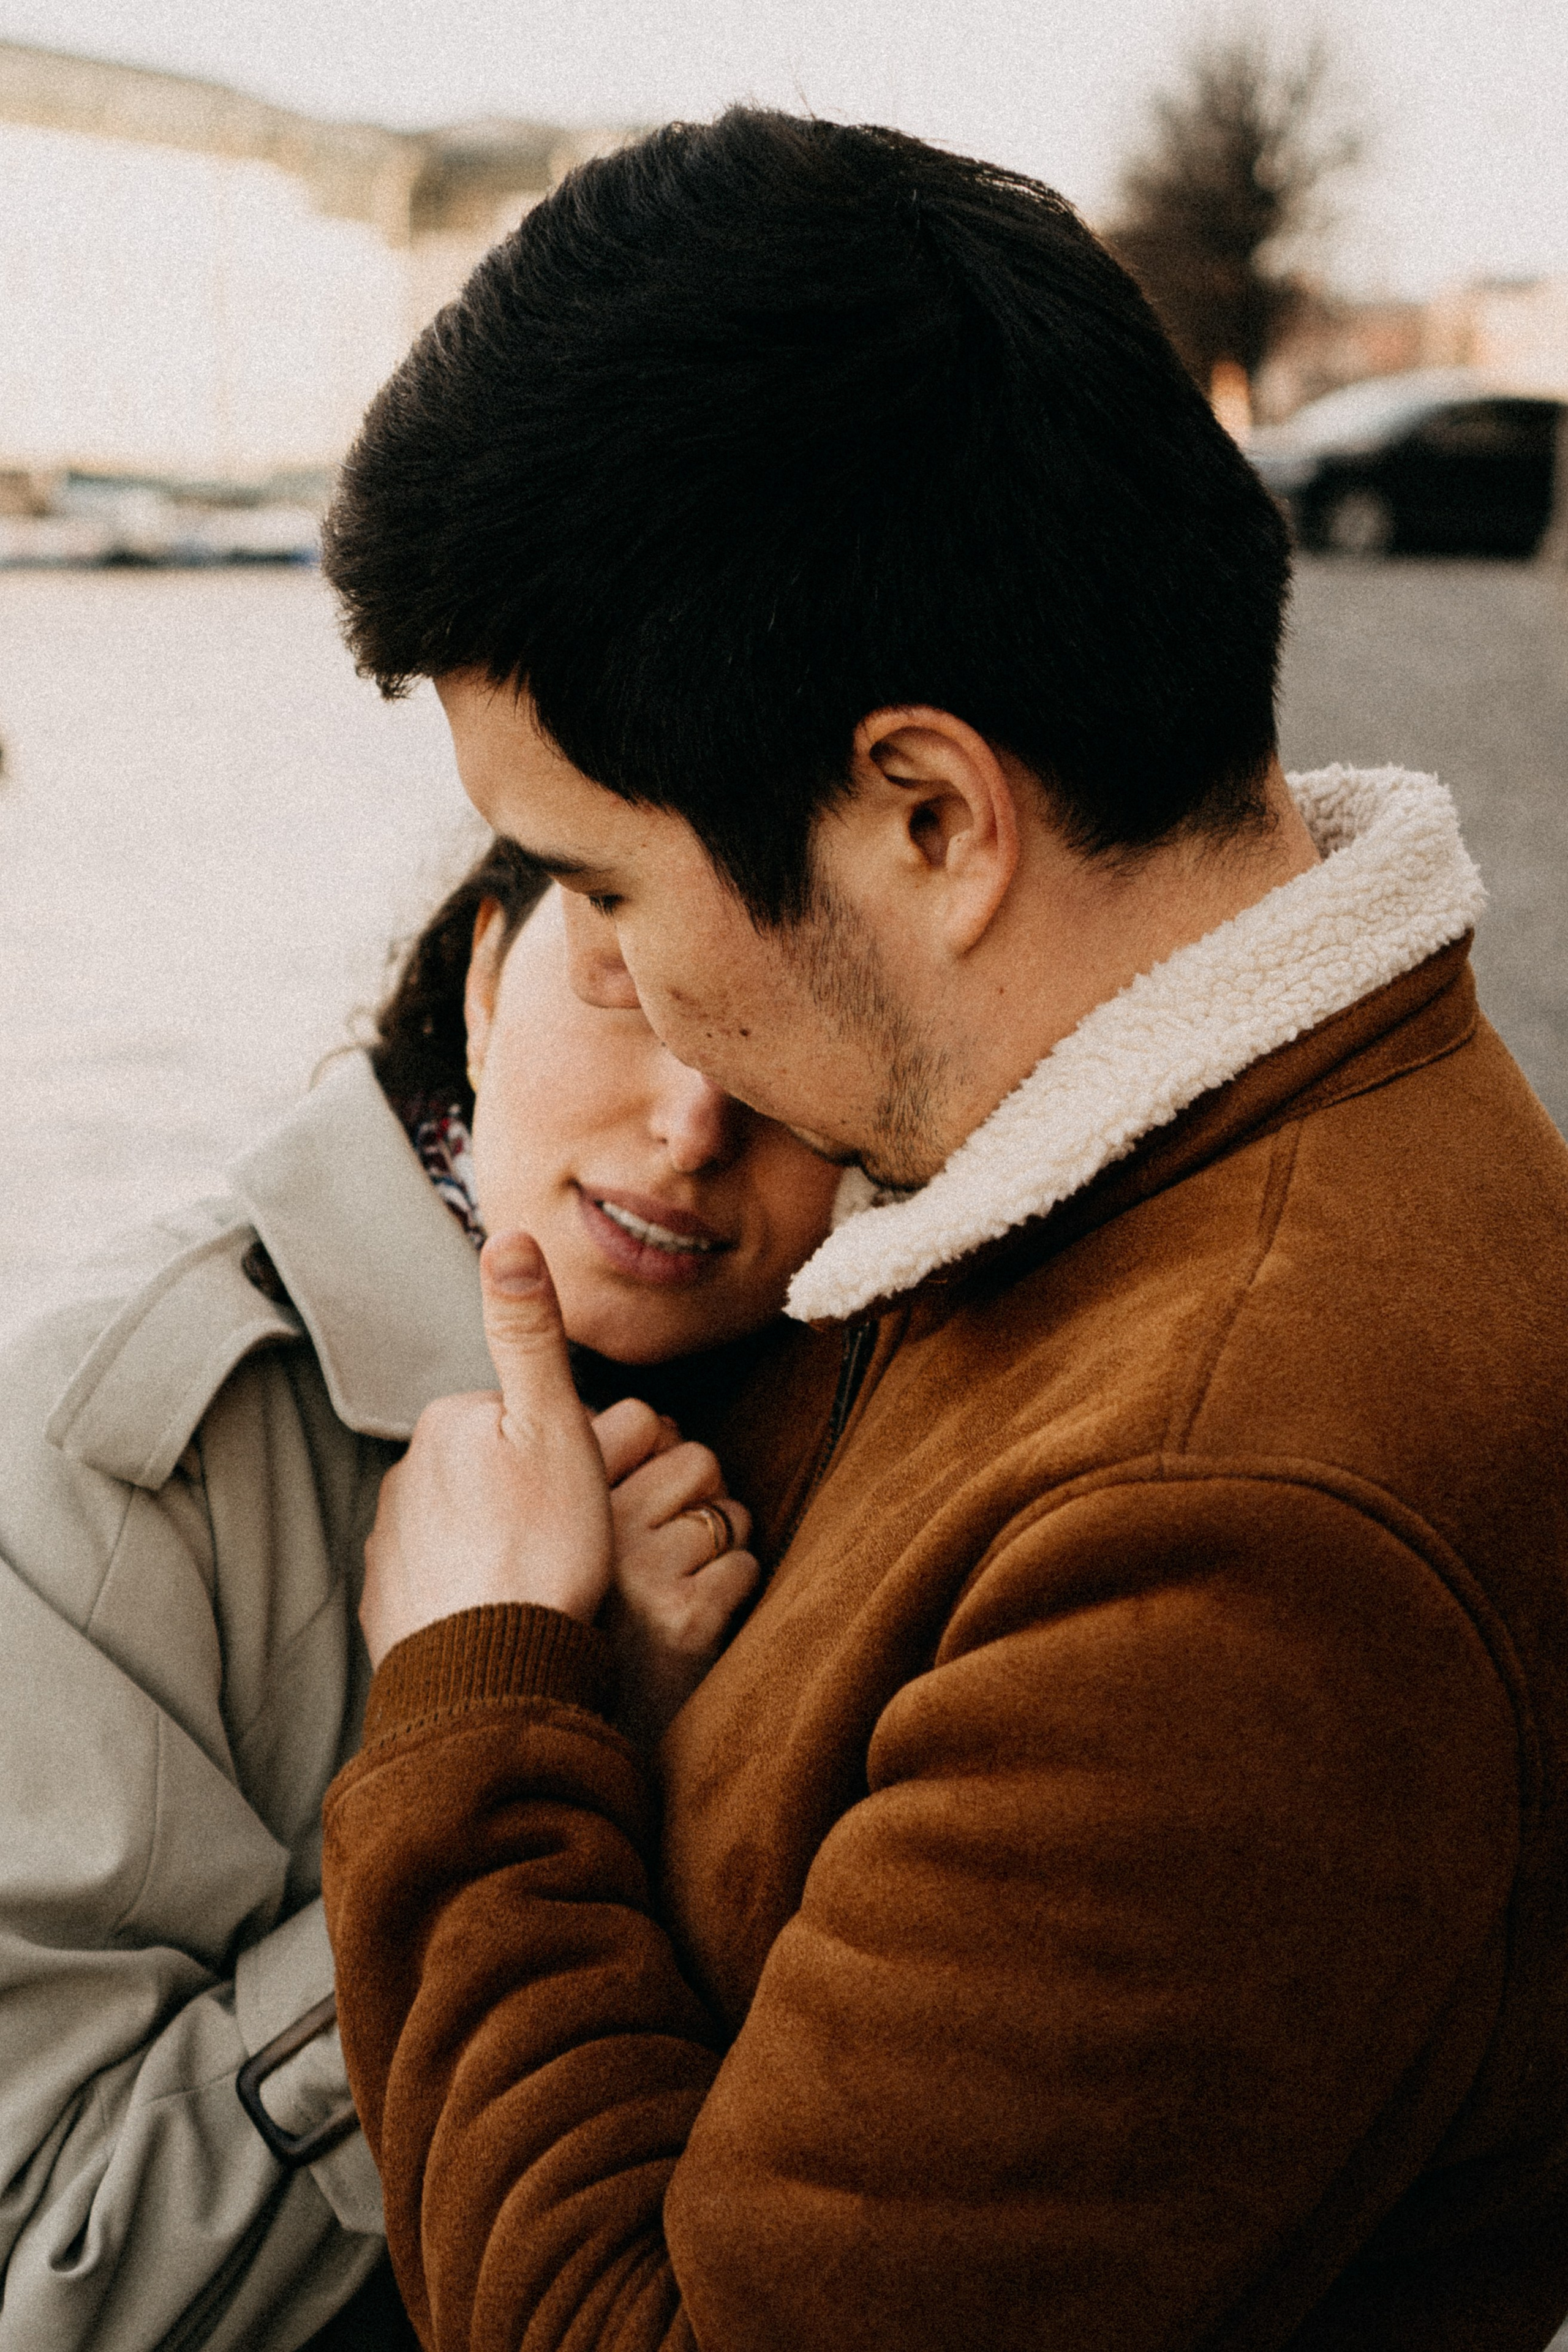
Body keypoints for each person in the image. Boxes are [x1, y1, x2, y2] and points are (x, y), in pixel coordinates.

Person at [315, 108, 1568, 2352]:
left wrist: (477, 1707)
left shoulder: (1226, 1545)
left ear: (925, 815)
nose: (623, 981)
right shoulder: (1126, 1172)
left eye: (605, 887)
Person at [0, 837, 840, 2352]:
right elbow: (63, 2290)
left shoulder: (886, 1388)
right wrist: (533, 1726)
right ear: (480, 970)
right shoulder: (111, 1455)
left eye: (783, 1033)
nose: (694, 1121)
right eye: (628, 988)